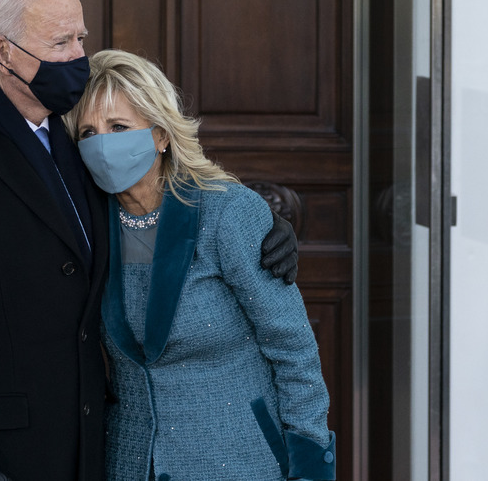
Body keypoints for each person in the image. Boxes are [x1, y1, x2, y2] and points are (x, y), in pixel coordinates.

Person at [0, 0, 299, 481]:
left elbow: (154, 203)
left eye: (80, 38)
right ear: (3, 53)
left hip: (92, 456)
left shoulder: (80, 147)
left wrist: (262, 227)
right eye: (61, 41)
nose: (78, 56)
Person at [64, 49, 336, 481]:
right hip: (130, 463)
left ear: (161, 135)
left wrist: (310, 464)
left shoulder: (225, 213)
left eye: (119, 127)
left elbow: (293, 348)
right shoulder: (85, 228)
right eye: (88, 132)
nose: (104, 143)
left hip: (240, 460)